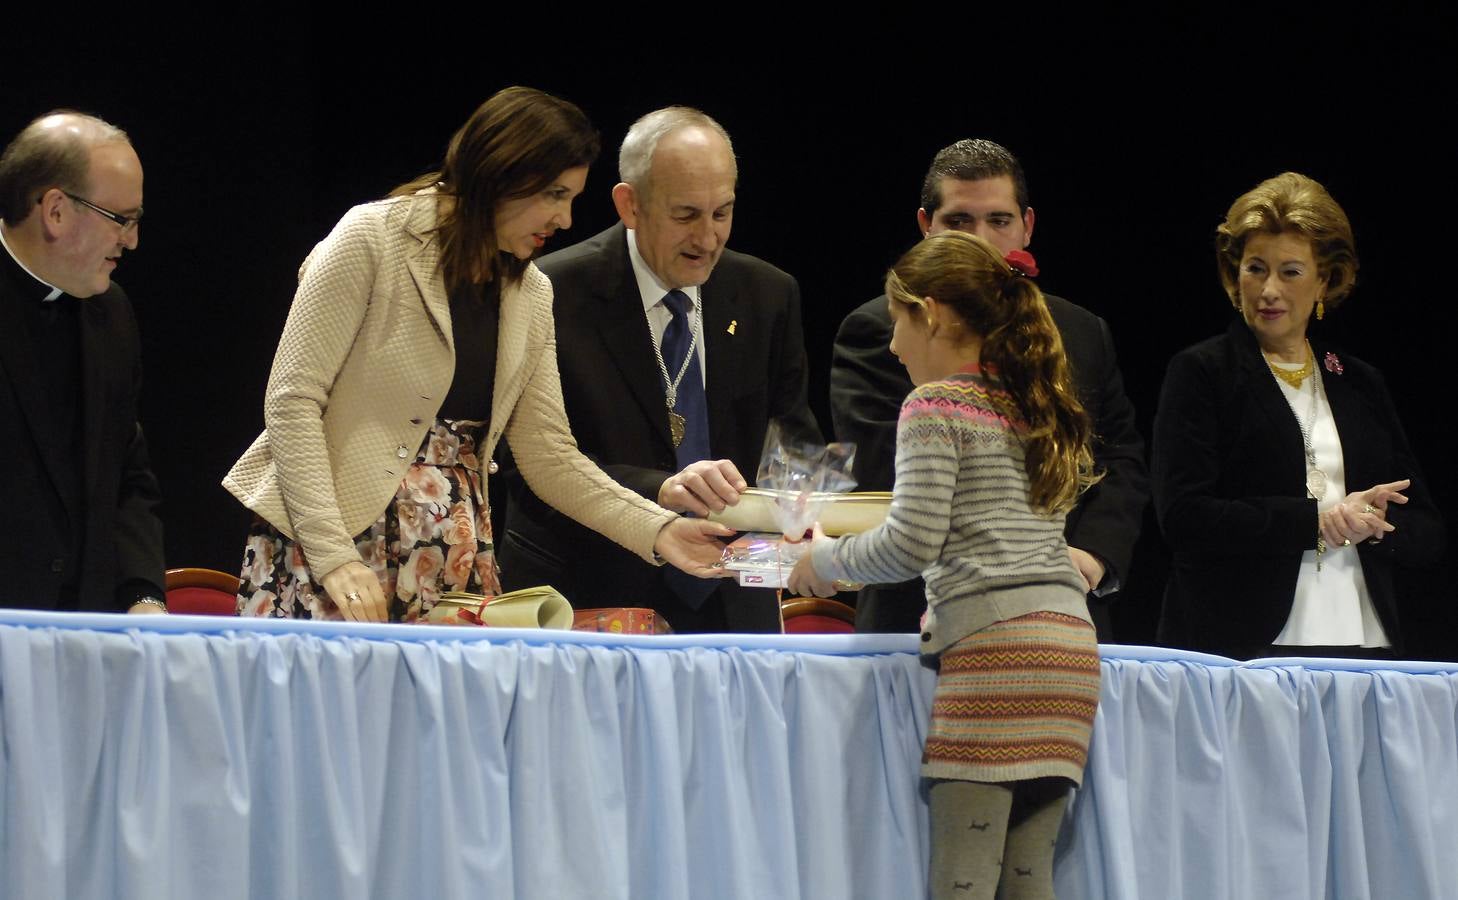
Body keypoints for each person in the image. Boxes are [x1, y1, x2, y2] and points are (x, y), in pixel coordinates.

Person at [223, 87, 731, 623]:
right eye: (555, 194)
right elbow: (291, 402)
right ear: (502, 175)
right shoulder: (372, 237)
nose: (564, 219)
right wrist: (334, 557)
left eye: (572, 198)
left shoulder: (530, 293)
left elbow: (551, 456)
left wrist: (660, 529)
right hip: (330, 554)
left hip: (452, 559)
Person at [790, 231, 1101, 900]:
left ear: (931, 313)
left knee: (961, 880)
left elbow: (911, 543)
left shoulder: (933, 407)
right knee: (1027, 878)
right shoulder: (1038, 406)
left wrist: (822, 563)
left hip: (998, 656)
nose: (894, 345)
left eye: (897, 322)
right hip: (1072, 654)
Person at [497, 106, 821, 633]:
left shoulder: (768, 294)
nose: (708, 237)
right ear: (631, 204)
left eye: (723, 212)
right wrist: (660, 490)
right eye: (686, 214)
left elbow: (792, 442)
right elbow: (527, 466)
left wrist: (808, 519)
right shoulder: (549, 292)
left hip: (732, 603)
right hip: (585, 597)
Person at [831, 138, 1146, 639]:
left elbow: (1117, 458)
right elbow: (885, 476)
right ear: (925, 228)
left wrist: (1091, 556)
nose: (980, 239)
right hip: (915, 625)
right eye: (959, 221)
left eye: (998, 221)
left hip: (1060, 616)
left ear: (1027, 226)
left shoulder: (1082, 331)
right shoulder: (884, 328)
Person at [1152, 172, 1445, 660]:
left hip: (1362, 638)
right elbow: (1183, 517)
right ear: (1234, 275)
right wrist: (1317, 522)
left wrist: (1374, 520)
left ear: (1325, 281)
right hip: (1240, 641)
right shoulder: (1203, 371)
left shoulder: (1358, 380)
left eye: (1290, 272)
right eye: (1254, 269)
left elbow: (1428, 530)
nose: (1268, 290)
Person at [0, 111, 166, 614]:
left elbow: (127, 475)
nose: (132, 239)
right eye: (122, 219)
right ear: (55, 210)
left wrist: (142, 593)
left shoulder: (111, 312)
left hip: (82, 637)